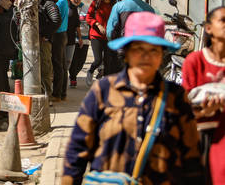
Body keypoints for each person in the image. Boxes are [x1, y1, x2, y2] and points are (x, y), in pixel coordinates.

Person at [61, 12, 203, 184]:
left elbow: (192, 159)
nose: (146, 57)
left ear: (162, 56)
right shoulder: (103, 91)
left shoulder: (176, 97)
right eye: (138, 49)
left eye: (153, 50)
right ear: (126, 52)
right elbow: (77, 151)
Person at [182, 5, 225, 184]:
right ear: (208, 28)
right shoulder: (195, 60)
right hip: (200, 137)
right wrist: (203, 112)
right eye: (223, 21)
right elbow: (184, 109)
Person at [86, 0, 116, 84]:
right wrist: (97, 24)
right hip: (96, 36)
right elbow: (88, 17)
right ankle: (90, 71)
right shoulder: (96, 3)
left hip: (109, 37)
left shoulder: (115, 5)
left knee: (108, 62)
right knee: (98, 60)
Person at [38, 0, 62, 98]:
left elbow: (56, 20)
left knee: (45, 68)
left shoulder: (48, 3)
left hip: (44, 42)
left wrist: (46, 35)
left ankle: (47, 96)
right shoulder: (37, 2)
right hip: (33, 41)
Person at [68, 0, 89, 88]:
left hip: (84, 39)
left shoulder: (86, 8)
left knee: (82, 60)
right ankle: (73, 78)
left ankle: (74, 74)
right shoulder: (68, 8)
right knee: (73, 60)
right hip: (73, 39)